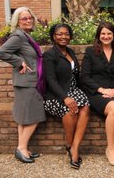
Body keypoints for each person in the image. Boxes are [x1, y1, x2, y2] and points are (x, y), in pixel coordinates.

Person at [0, 7, 46, 163]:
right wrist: (19, 62)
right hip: (27, 83)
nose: (29, 20)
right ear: (17, 21)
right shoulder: (18, 36)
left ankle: (23, 148)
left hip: (27, 82)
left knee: (24, 117)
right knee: (36, 116)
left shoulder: (26, 36)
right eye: (24, 18)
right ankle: (21, 148)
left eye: (30, 17)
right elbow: (1, 52)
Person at [80, 22, 114, 167]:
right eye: (103, 33)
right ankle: (110, 148)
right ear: (98, 35)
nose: (106, 36)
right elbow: (85, 77)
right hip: (96, 92)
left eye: (109, 33)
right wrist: (102, 90)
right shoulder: (91, 52)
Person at [43, 23, 90, 169]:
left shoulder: (70, 52)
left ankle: (73, 147)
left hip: (73, 90)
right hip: (55, 94)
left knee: (85, 108)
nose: (64, 37)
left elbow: (75, 76)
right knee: (70, 111)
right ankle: (71, 147)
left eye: (66, 34)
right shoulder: (49, 55)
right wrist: (65, 97)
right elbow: (51, 80)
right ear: (53, 36)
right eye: (60, 34)